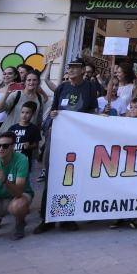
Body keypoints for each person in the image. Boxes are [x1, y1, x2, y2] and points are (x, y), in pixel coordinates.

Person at [33, 57, 99, 234]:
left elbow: (93, 111)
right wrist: (53, 115)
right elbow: (53, 110)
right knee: (53, 176)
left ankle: (67, 216)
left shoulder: (90, 88)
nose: (70, 70)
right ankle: (47, 217)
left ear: (83, 70)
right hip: (58, 138)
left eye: (75, 67)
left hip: (78, 140)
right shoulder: (62, 87)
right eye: (70, 67)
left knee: (72, 177)